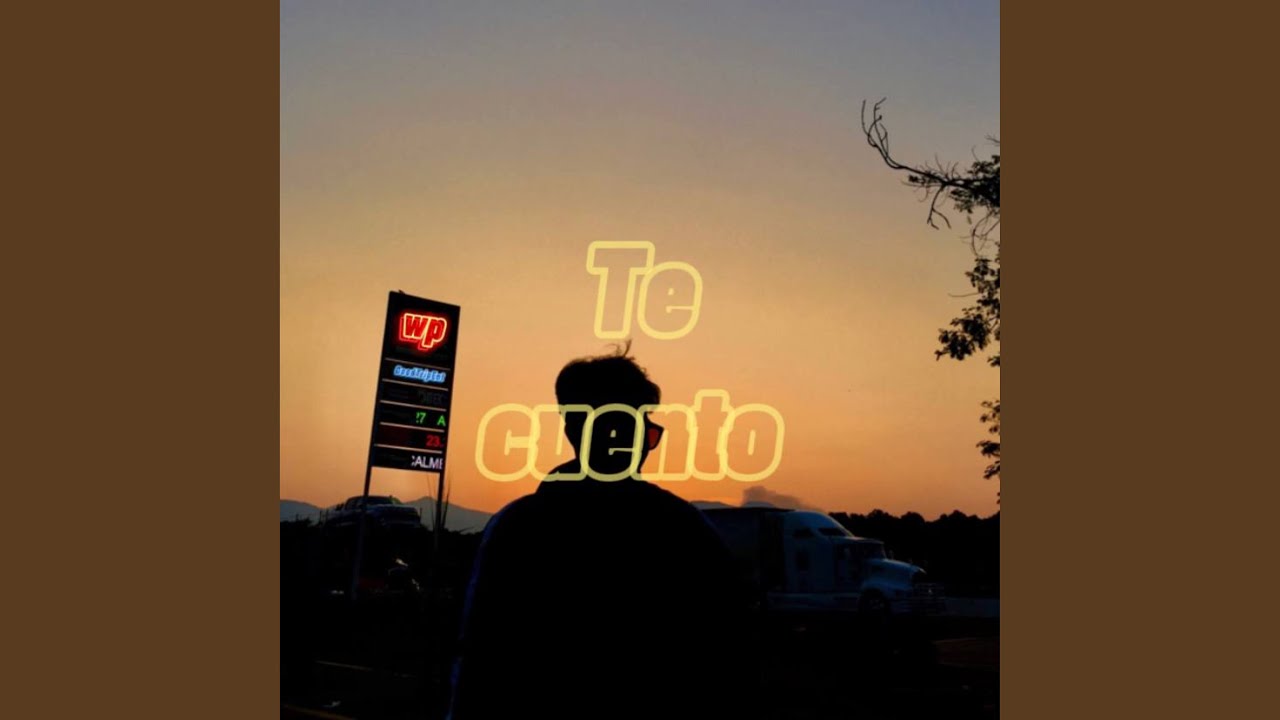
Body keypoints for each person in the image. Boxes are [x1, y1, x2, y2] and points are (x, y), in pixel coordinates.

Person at [447, 345, 761, 720]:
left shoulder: (518, 528)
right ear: (577, 431)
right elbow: (730, 658)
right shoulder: (684, 530)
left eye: (644, 433)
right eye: (626, 428)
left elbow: (480, 662)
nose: (638, 446)